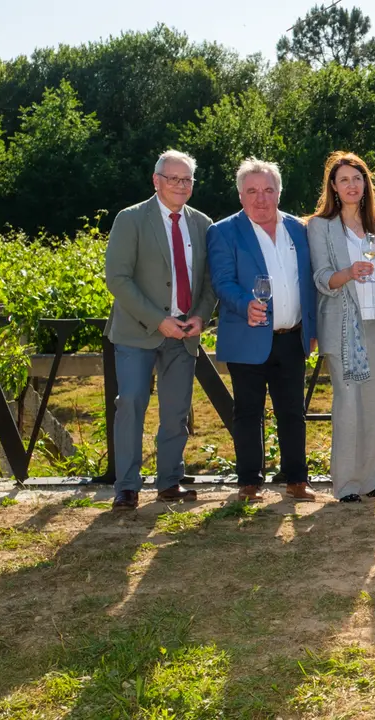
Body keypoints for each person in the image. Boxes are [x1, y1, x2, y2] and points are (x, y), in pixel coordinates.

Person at [103, 150, 215, 510]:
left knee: (176, 411)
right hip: (138, 332)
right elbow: (117, 279)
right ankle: (127, 486)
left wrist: (200, 316)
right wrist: (157, 320)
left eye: (187, 180)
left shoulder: (202, 224)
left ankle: (169, 482)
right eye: (173, 179)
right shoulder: (131, 219)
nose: (181, 185)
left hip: (183, 335)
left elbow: (209, 281)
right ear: (156, 180)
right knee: (131, 403)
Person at [207, 158, 319, 503]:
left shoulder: (299, 230)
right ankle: (249, 482)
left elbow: (310, 284)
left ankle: (296, 480)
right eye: (252, 191)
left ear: (279, 192)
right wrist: (246, 305)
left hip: (292, 337)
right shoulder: (223, 231)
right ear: (240, 195)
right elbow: (222, 282)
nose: (261, 198)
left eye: (268, 190)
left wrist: (312, 328)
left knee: (292, 412)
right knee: (248, 411)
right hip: (247, 336)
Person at [306, 152, 375, 503]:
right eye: (343, 179)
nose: (351, 185)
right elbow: (321, 277)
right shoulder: (320, 225)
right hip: (344, 327)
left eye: (357, 178)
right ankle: (344, 485)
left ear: (365, 183)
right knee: (347, 407)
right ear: (333, 186)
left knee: (374, 406)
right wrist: (348, 274)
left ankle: (369, 481)